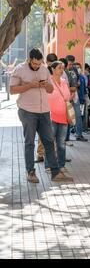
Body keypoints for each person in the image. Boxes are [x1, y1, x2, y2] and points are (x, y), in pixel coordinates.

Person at [9, 48, 73, 183]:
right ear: (29, 59)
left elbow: (50, 89)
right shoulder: (19, 69)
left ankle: (55, 173)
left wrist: (45, 85)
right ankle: (31, 172)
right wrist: (30, 85)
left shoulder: (44, 69)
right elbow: (12, 90)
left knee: (49, 141)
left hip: (44, 112)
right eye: (34, 64)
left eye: (39, 64)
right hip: (27, 111)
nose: (37, 66)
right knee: (30, 142)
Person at [46, 61, 72, 175]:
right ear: (52, 69)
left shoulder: (64, 82)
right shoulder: (48, 81)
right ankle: (49, 165)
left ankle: (61, 165)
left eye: (62, 68)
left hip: (63, 116)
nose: (61, 70)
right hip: (51, 116)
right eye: (59, 68)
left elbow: (67, 97)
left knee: (61, 143)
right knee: (50, 142)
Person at [36, 53, 59, 162]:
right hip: (46, 106)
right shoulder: (43, 71)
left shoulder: (57, 72)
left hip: (52, 106)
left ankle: (47, 154)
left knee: (49, 132)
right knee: (45, 131)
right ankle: (42, 154)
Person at [66, 56, 88, 142]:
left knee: (78, 115)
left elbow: (78, 79)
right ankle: (66, 137)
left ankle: (79, 135)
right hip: (67, 96)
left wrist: (78, 83)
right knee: (68, 117)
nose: (70, 65)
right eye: (69, 64)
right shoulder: (63, 70)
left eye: (72, 64)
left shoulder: (74, 69)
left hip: (75, 96)